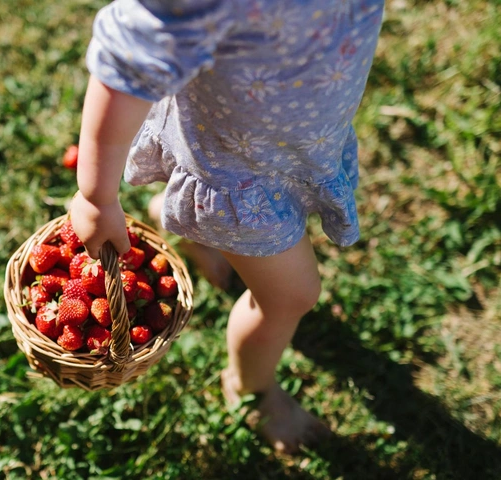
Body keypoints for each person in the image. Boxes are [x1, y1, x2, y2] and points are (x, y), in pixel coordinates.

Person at [69, 0, 385, 454]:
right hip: (236, 178)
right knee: (291, 297)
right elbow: (126, 60)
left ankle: (183, 225)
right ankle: (250, 387)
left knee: (284, 287)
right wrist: (97, 195)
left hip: (294, 142)